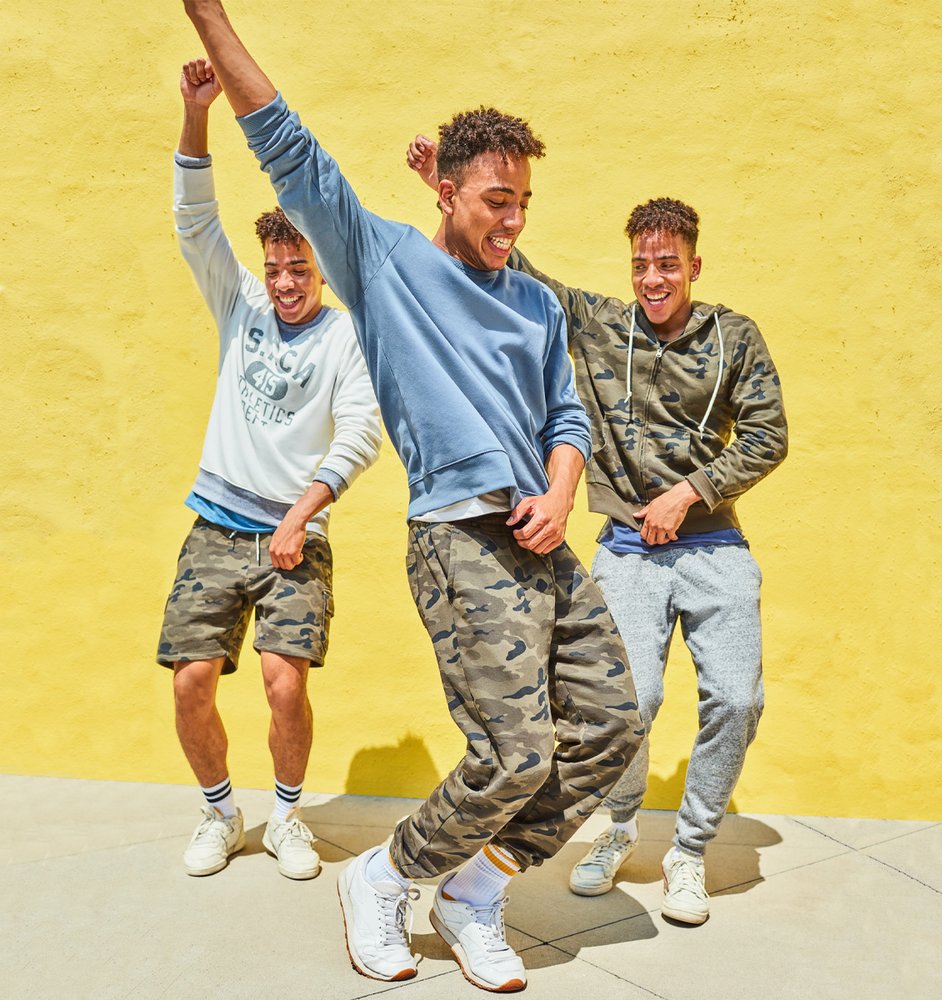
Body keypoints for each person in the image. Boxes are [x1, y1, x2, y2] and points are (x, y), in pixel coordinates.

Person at [181, 2, 642, 991]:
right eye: (494, 199)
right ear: (444, 187)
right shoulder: (386, 263)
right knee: (515, 751)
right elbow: (284, 142)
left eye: (523, 202)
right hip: (460, 540)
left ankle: (474, 891)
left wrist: (564, 493)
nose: (511, 220)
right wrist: (208, 16)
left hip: (541, 538)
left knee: (609, 728)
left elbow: (567, 417)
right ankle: (384, 877)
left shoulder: (535, 301)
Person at [407, 134, 788, 926]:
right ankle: (617, 828)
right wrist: (439, 187)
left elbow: (767, 434)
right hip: (626, 551)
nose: (654, 279)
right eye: (642, 265)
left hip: (714, 546)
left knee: (737, 698)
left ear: (693, 266)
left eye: (668, 265)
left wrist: (690, 492)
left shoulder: (734, 337)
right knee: (628, 701)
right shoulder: (601, 324)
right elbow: (514, 264)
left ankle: (689, 849)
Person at [158, 58, 381, 883]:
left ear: (321, 266)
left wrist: (300, 516)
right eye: (277, 268)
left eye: (301, 269)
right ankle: (222, 814)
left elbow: (360, 434)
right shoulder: (241, 303)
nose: (287, 283)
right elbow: (194, 222)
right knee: (191, 683)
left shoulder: (346, 336)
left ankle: (287, 817)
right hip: (217, 527)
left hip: (297, 536)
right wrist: (196, 114)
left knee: (284, 684)